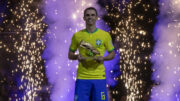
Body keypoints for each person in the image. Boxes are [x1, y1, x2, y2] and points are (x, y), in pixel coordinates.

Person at [68, 7, 115, 101]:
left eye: (93, 15)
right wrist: (77, 56)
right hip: (82, 77)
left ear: (97, 17)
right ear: (84, 18)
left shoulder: (105, 35)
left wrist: (104, 58)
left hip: (99, 77)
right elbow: (70, 54)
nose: (90, 17)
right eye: (88, 15)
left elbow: (112, 53)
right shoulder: (77, 35)